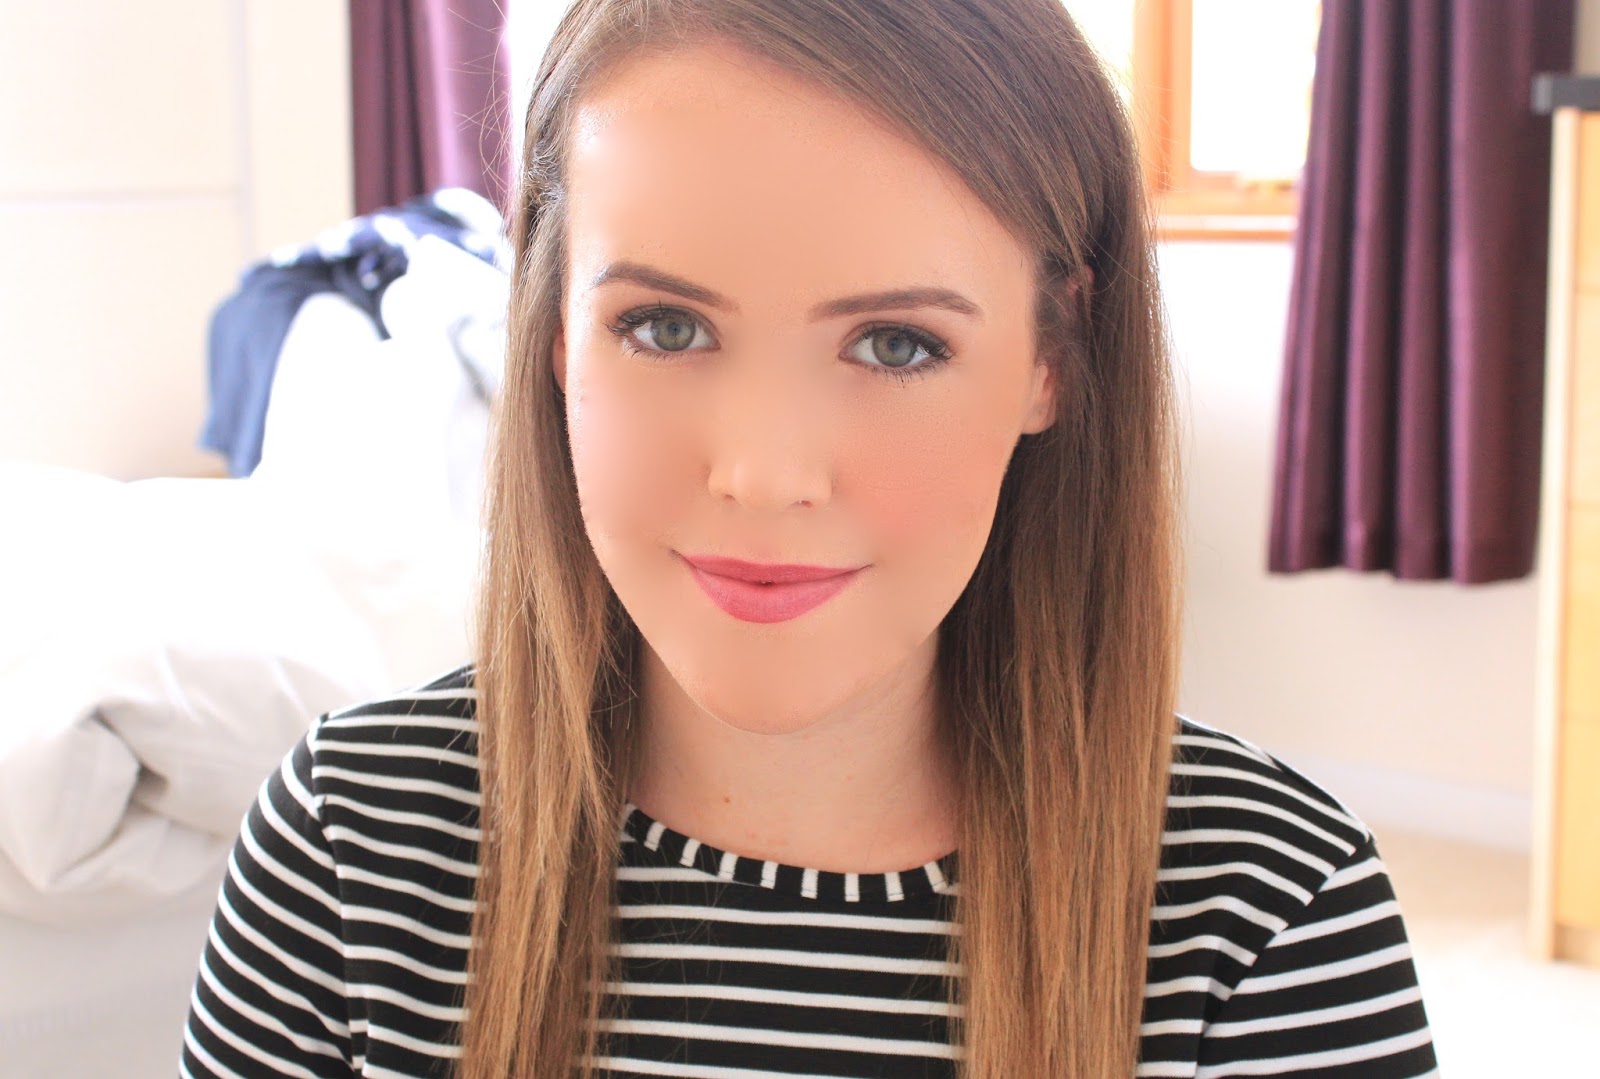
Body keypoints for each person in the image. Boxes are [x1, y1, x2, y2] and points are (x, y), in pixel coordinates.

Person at [180, 1, 1441, 1076]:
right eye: (665, 327)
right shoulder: (348, 850)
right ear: (556, 330)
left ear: (1049, 360)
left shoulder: (1268, 909)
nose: (764, 474)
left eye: (894, 344)